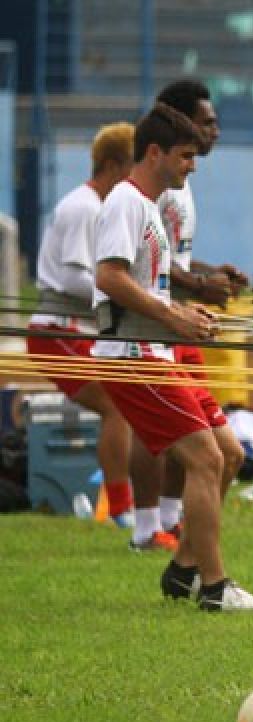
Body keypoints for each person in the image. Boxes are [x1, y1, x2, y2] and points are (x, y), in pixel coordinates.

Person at [92, 103, 253, 610]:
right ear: (155, 153)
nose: (193, 165)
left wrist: (183, 309)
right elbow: (108, 277)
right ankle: (215, 588)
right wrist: (172, 318)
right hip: (132, 356)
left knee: (230, 454)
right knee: (204, 457)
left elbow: (143, 284)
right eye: (186, 156)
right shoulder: (127, 202)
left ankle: (183, 571)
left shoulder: (149, 205)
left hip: (156, 350)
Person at [126, 79, 249, 549]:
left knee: (200, 438)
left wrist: (209, 273)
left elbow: (171, 260)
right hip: (156, 327)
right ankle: (145, 524)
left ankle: (174, 524)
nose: (213, 131)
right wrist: (199, 287)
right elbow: (144, 267)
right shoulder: (161, 190)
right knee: (160, 429)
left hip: (174, 319)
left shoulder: (182, 183)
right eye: (205, 123)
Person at [25, 123, 138, 533]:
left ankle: (120, 496)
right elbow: (74, 279)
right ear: (113, 165)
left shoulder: (101, 207)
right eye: (133, 165)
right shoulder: (84, 207)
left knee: (126, 401)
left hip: (73, 329)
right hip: (58, 332)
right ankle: (120, 507)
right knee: (117, 404)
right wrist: (125, 298)